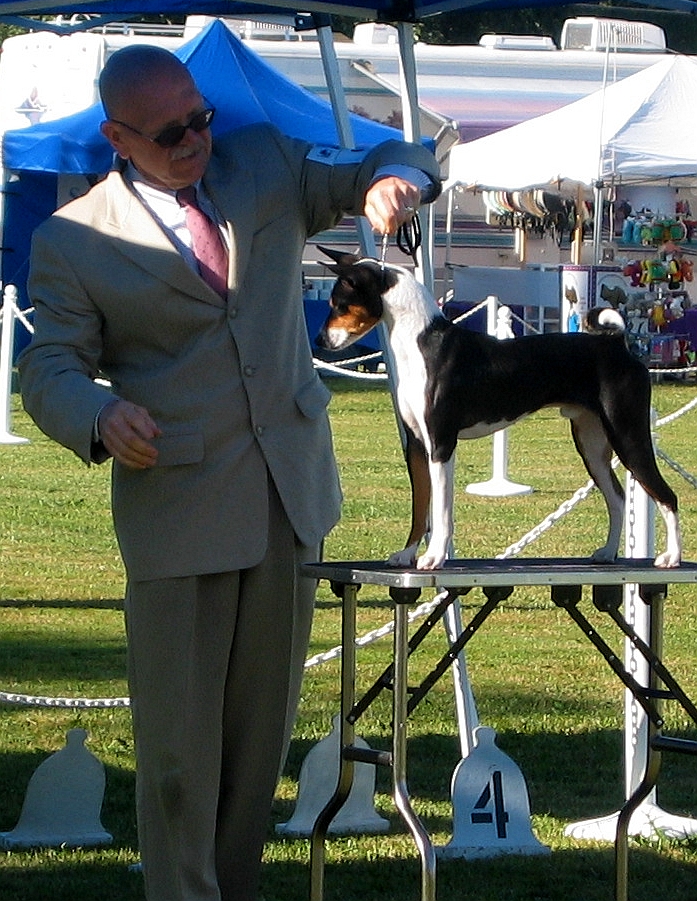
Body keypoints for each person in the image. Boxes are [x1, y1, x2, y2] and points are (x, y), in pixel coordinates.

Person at [18, 44, 441, 901]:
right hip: (177, 513)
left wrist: (394, 180)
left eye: (200, 119)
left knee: (256, 755)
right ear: (117, 137)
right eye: (170, 132)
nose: (194, 140)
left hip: (290, 501)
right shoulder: (72, 238)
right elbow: (49, 366)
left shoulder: (266, 165)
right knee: (179, 760)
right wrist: (98, 415)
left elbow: (391, 154)